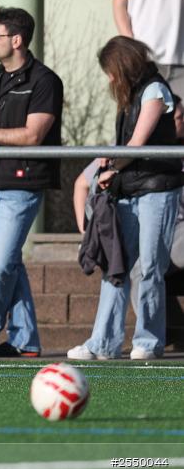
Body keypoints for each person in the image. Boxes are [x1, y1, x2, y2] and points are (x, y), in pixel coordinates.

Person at [68, 37, 184, 361]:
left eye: (111, 71)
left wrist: (111, 168)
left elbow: (136, 143)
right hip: (130, 189)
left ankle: (147, 341)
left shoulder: (155, 90)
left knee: (149, 267)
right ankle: (103, 343)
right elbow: (125, 146)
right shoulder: (129, 94)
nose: (110, 79)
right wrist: (110, 171)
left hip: (158, 189)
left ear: (124, 66)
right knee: (115, 266)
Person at [0, 7, 64, 358]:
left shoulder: (44, 81)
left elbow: (33, 135)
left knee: (1, 264)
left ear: (16, 40)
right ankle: (26, 342)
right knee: (7, 263)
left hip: (21, 184)